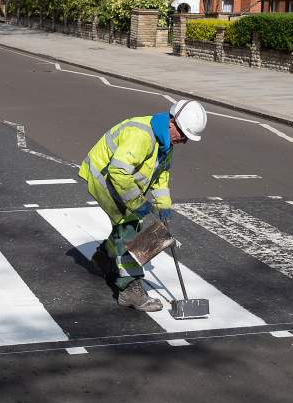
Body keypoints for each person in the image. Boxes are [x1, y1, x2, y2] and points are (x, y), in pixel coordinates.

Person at [79, 99, 207, 311]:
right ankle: (129, 290)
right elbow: (118, 172)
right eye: (184, 135)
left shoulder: (165, 144)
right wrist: (137, 203)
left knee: (126, 226)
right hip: (104, 178)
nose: (184, 141)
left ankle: (105, 257)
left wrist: (163, 205)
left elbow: (160, 175)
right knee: (131, 230)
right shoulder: (142, 135)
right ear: (172, 123)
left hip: (121, 180)